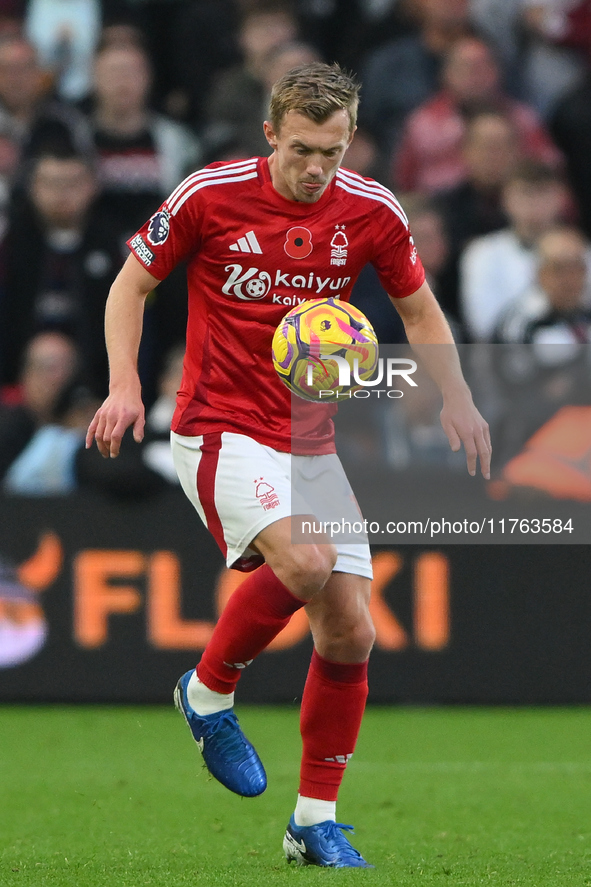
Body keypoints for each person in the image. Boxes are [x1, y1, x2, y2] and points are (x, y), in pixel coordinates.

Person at [86, 63, 490, 869]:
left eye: (332, 153)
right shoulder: (210, 193)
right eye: (303, 149)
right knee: (304, 561)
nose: (316, 169)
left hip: (307, 437)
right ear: (271, 134)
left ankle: (311, 820)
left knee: (351, 630)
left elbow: (417, 307)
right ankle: (207, 691)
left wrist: (458, 396)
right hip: (217, 427)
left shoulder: (371, 209)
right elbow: (131, 286)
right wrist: (125, 384)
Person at [392, 35, 561, 194]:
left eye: (483, 67)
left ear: (497, 71)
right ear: (446, 74)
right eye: (466, 67)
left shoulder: (523, 119)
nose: (475, 76)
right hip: (443, 215)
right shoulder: (423, 123)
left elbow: (552, 175)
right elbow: (404, 184)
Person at [459, 160, 570, 341]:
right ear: (506, 200)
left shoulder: (581, 253)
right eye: (526, 194)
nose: (534, 204)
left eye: (543, 194)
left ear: (561, 198)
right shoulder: (482, 254)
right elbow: (483, 326)